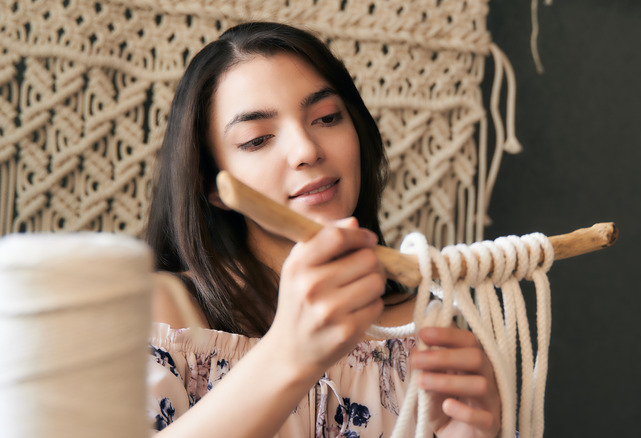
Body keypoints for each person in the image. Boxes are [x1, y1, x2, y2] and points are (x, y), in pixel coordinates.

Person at [145, 21, 501, 437]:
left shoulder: (434, 329)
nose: (307, 150)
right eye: (257, 139)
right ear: (212, 183)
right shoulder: (162, 315)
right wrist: (288, 354)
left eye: (327, 117)